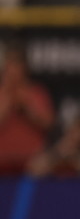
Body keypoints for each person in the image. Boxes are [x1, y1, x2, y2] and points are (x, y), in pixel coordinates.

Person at [0, 47, 54, 175]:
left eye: (17, 66)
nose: (13, 71)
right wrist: (8, 102)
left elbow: (48, 124)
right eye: (10, 66)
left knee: (44, 164)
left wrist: (27, 110)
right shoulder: (2, 95)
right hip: (3, 158)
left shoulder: (36, 93)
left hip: (31, 159)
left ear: (24, 69)